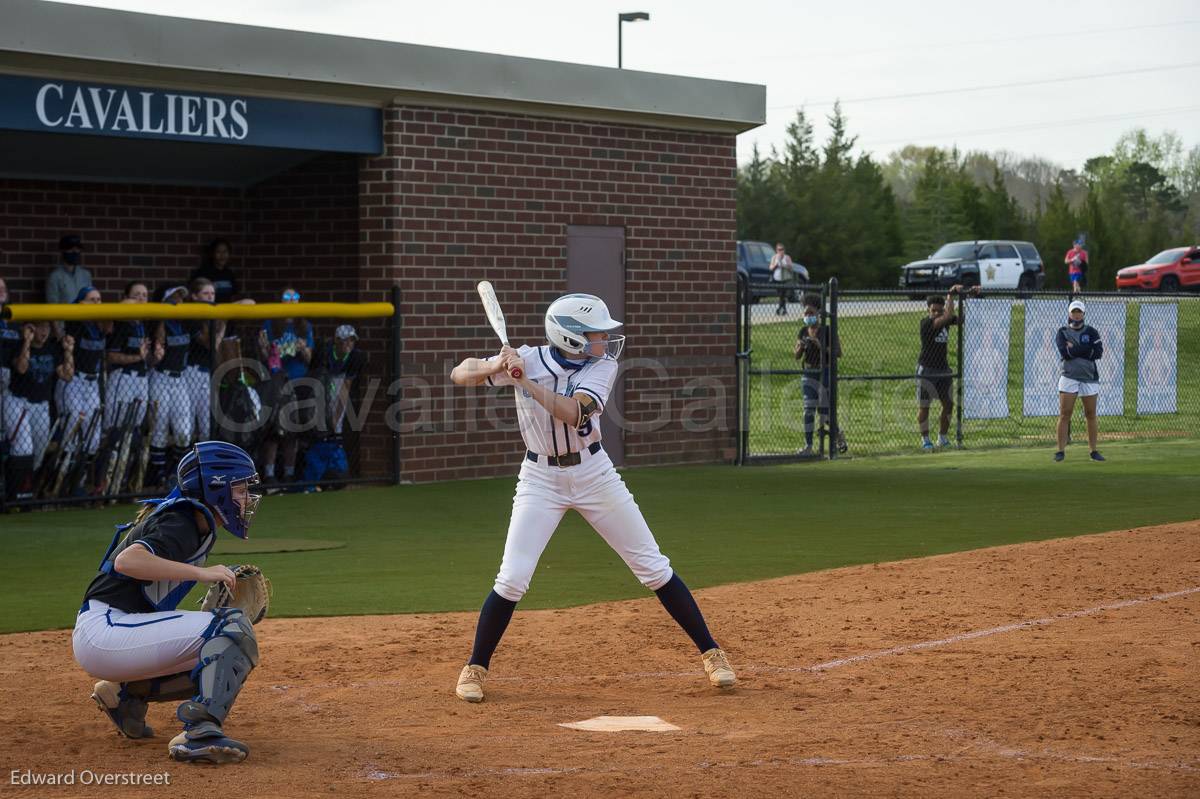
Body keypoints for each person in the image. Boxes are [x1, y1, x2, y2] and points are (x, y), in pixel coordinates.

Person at [447, 293, 736, 703]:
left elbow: (574, 413)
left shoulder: (603, 366)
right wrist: (496, 366)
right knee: (512, 578)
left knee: (653, 567)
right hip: (539, 479)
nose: (604, 341)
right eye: (597, 334)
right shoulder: (527, 358)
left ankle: (712, 654)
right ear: (570, 337)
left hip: (594, 474)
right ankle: (475, 667)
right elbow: (461, 374)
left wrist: (523, 382)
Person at [72, 441, 263, 764]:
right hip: (106, 630)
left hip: (115, 632)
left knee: (217, 648)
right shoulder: (183, 520)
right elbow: (127, 561)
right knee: (229, 628)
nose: (246, 499)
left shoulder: (193, 521)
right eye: (240, 489)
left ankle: (125, 696)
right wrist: (202, 574)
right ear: (216, 488)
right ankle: (199, 733)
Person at [5, 321, 73, 497]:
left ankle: (26, 487)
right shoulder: (18, 345)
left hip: (41, 405)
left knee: (39, 449)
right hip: (18, 402)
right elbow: (21, 368)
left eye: (47, 328)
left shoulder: (52, 349)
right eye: (39, 327)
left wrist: (68, 351)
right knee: (23, 447)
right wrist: (26, 341)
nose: (44, 332)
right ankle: (13, 492)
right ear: (30, 328)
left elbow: (67, 375)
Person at [256, 287, 313, 485]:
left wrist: (302, 348)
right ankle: (270, 474)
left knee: (292, 430)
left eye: (295, 298)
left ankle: (289, 473)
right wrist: (266, 348)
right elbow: (264, 356)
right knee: (273, 430)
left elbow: (309, 358)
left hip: (298, 379)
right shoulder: (271, 323)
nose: (290, 301)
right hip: (276, 380)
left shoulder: (304, 326)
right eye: (286, 298)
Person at [302, 324, 368, 489]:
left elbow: (346, 386)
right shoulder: (324, 351)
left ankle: (333, 462)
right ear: (337, 341)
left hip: (338, 382)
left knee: (335, 423)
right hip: (319, 381)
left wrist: (335, 419)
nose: (349, 345)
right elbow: (314, 374)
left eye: (352, 341)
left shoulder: (355, 357)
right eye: (345, 341)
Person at [916, 286, 977, 451]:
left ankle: (942, 438)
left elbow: (963, 319)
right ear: (928, 310)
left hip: (943, 369)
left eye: (939, 310)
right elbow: (948, 315)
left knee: (949, 405)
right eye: (933, 310)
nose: (936, 313)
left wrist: (970, 297)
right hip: (927, 369)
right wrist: (950, 294)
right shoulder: (926, 323)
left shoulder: (946, 318)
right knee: (924, 406)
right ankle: (925, 440)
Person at [145, 286, 194, 488]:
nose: (178, 302)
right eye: (172, 299)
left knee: (184, 431)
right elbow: (157, 346)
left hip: (181, 378)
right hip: (161, 378)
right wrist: (162, 321)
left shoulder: (185, 322)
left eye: (180, 298)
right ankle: (159, 475)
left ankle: (176, 471)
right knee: (159, 428)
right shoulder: (159, 322)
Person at [62, 287, 109, 480]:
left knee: (94, 433)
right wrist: (83, 304)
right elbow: (72, 309)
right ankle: (65, 474)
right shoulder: (76, 322)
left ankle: (82, 477)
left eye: (99, 299)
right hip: (74, 380)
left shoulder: (102, 324)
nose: (97, 303)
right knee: (73, 426)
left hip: (93, 382)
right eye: (92, 299)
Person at [1054, 300, 1105, 462]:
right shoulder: (1062, 332)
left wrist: (1074, 349)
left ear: (1083, 314)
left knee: (1090, 414)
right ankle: (1060, 451)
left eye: (1079, 312)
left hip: (1089, 377)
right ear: (1069, 313)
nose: (1076, 314)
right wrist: (1085, 349)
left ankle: (1093, 451)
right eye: (1073, 311)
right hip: (1069, 376)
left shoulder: (1092, 332)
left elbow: (1097, 353)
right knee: (1064, 414)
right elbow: (1064, 352)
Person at [794, 295, 844, 456]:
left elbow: (838, 353)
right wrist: (801, 347)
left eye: (811, 313)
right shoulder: (803, 331)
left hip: (825, 372)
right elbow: (796, 355)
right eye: (805, 314)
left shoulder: (828, 330)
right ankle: (808, 446)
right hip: (809, 373)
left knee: (825, 413)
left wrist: (820, 345)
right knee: (808, 410)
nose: (808, 316)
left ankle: (838, 436)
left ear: (818, 313)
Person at [105, 281, 157, 431]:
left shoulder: (146, 323)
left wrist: (155, 357)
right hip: (123, 378)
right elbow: (111, 356)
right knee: (116, 426)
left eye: (145, 295)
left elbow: (148, 358)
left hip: (142, 378)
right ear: (127, 297)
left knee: (134, 428)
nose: (141, 299)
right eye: (136, 295)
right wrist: (138, 358)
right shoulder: (120, 322)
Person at [47, 235, 94, 337]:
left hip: (83, 327)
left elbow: (91, 300)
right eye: (71, 249)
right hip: (64, 329)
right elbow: (52, 306)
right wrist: (58, 334)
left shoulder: (85, 275)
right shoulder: (55, 276)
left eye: (77, 249)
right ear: (63, 251)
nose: (75, 252)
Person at [189, 239, 240, 304]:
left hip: (226, 310)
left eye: (225, 252)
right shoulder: (203, 272)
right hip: (209, 310)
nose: (222, 255)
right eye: (218, 252)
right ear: (212, 253)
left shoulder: (230, 274)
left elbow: (234, 295)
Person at [769, 242, 794, 316]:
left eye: (782, 249)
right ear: (776, 250)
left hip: (785, 279)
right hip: (777, 279)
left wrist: (785, 265)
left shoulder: (787, 257)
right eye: (779, 249)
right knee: (781, 295)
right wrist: (776, 265)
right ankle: (782, 309)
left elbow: (791, 267)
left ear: (784, 250)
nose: (781, 251)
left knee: (782, 294)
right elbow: (770, 268)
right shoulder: (774, 257)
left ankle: (780, 309)